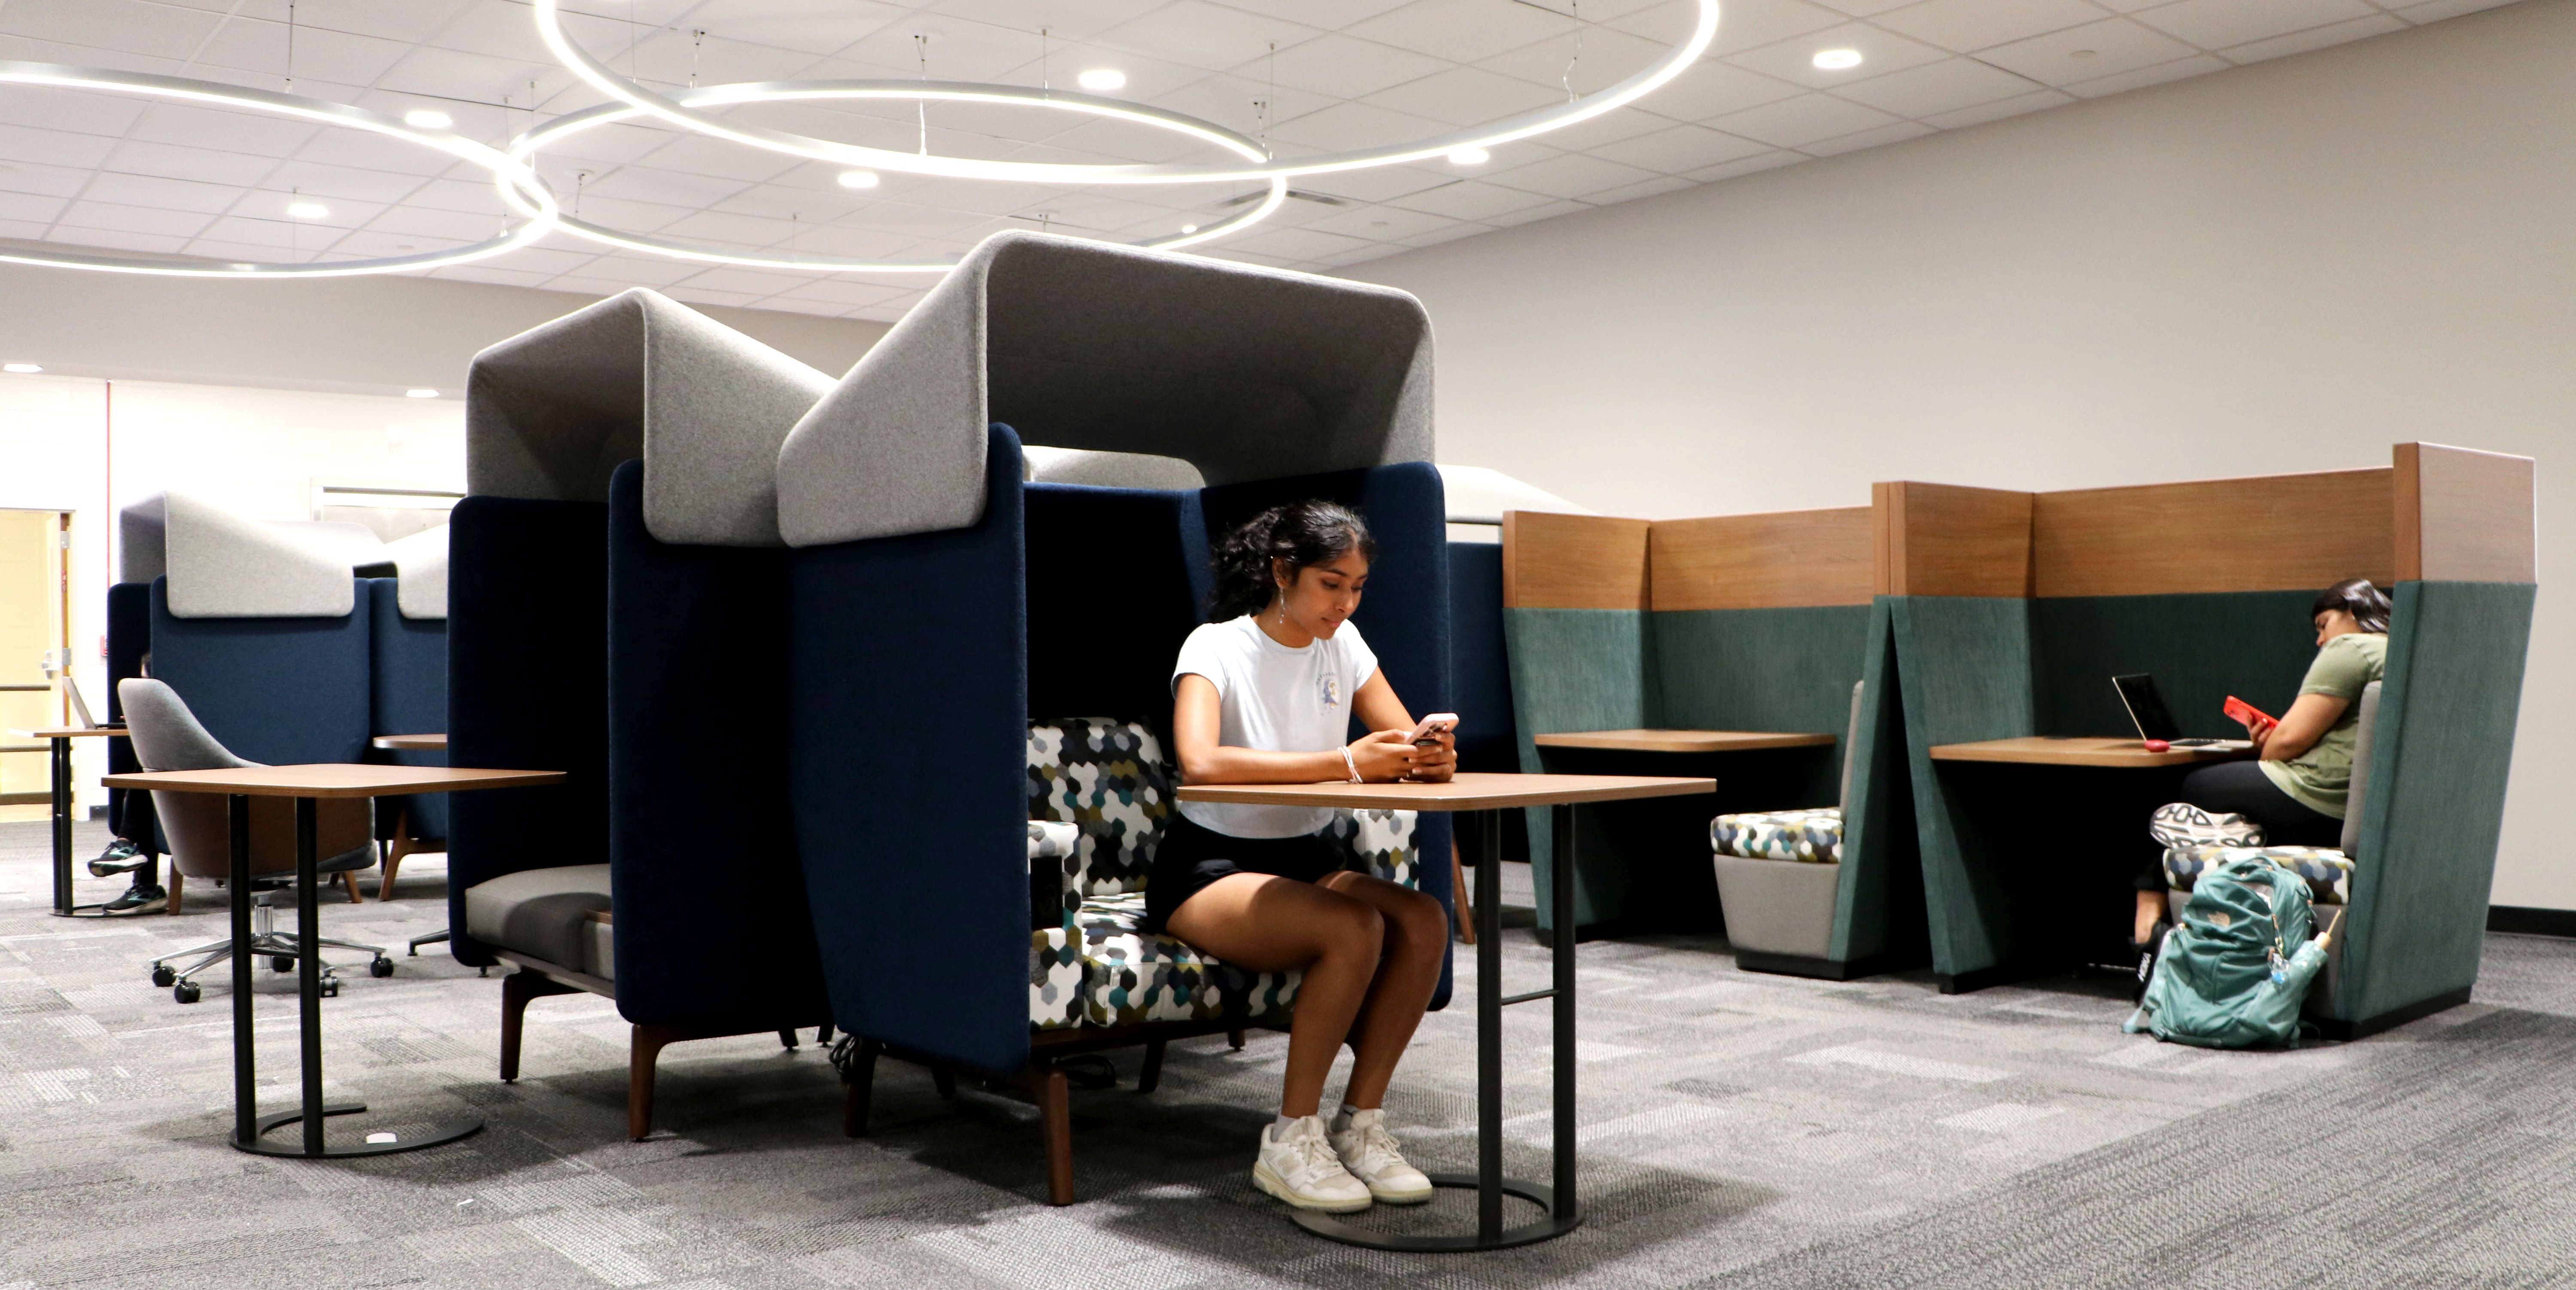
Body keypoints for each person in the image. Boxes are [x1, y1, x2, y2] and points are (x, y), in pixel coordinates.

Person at [1159, 499, 1455, 1215]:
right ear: (1282, 570)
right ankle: (1291, 1137)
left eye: (1357, 586)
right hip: (1212, 864)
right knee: (1352, 926)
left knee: (1422, 918)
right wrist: (1347, 762)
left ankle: (1360, 1123)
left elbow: (1397, 737)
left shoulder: (1343, 644)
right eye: (1331, 582)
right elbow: (1197, 759)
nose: (1345, 602)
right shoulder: (1215, 645)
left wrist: (1429, 754)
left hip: (1307, 854)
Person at [2133, 578, 2391, 980]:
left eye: (2323, 625)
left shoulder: (2351, 648)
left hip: (2313, 797)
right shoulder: (2403, 652)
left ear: (2353, 612)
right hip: (2356, 814)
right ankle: (2241, 831)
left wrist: (2268, 744)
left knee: (2182, 788)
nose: (2321, 641)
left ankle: (2146, 922)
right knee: (2209, 798)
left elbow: (2288, 741)